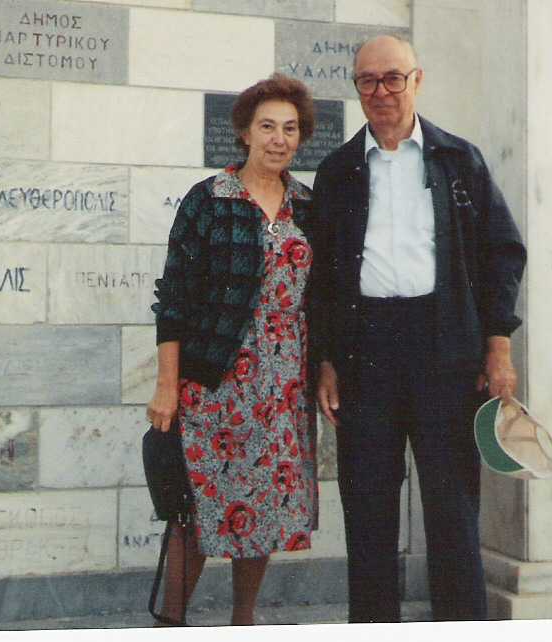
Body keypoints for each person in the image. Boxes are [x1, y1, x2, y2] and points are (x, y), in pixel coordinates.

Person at [309, 35, 526, 622]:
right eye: (367, 80)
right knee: (368, 511)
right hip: (364, 355)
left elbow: (502, 253)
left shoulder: (459, 160)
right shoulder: (337, 171)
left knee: (453, 510)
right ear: (356, 87)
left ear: (417, 80)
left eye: (393, 78)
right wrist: (325, 359)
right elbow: (321, 278)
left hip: (445, 349)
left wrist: (498, 346)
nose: (380, 91)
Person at [148, 73, 319, 626]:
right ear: (245, 133)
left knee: (264, 505)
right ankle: (172, 622)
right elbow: (174, 297)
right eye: (267, 126)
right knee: (195, 509)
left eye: (289, 128)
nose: (278, 139)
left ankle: (243, 621)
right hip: (214, 381)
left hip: (283, 383)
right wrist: (166, 386)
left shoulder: (307, 206)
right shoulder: (209, 200)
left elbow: (322, 299)